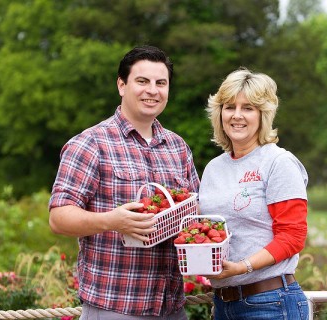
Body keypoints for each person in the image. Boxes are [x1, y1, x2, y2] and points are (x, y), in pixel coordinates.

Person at [48, 45, 200, 320]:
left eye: (160, 83)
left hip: (173, 308)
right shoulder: (91, 143)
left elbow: (195, 211)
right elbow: (58, 217)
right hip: (114, 308)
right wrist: (112, 221)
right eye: (142, 81)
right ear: (121, 85)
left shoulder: (178, 147)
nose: (152, 90)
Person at [198, 67, 309, 319]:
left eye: (248, 108)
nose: (237, 115)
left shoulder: (278, 162)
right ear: (219, 113)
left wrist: (241, 267)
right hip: (224, 305)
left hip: (270, 302)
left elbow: (292, 236)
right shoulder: (214, 168)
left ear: (263, 115)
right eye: (229, 107)